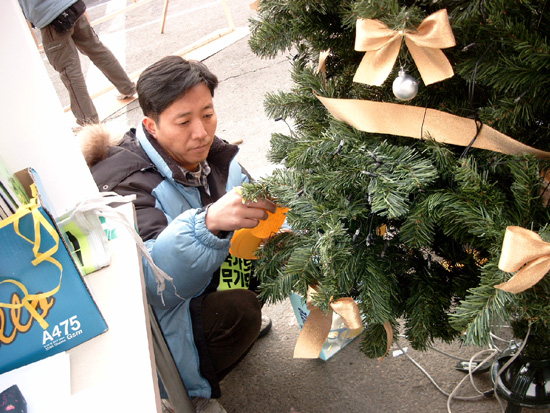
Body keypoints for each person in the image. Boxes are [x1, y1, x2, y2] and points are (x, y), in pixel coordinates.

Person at [79, 56, 276, 413]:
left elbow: (251, 194)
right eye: (183, 121)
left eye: (207, 113)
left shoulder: (216, 155)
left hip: (205, 283)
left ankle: (218, 351)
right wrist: (208, 223)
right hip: (163, 324)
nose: (201, 132)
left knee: (273, 260)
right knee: (240, 313)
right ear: (151, 126)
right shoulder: (125, 183)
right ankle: (181, 393)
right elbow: (156, 286)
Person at [18, 0, 136, 128]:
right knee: (96, 50)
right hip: (71, 5)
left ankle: (87, 120)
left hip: (51, 18)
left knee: (69, 71)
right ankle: (127, 87)